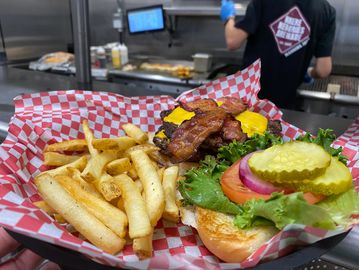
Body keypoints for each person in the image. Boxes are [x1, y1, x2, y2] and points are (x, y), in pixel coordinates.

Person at [220, 0, 336, 109]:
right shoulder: (326, 10)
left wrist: (228, 17)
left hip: (250, 100)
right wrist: (309, 72)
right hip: (284, 106)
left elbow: (233, 41)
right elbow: (323, 70)